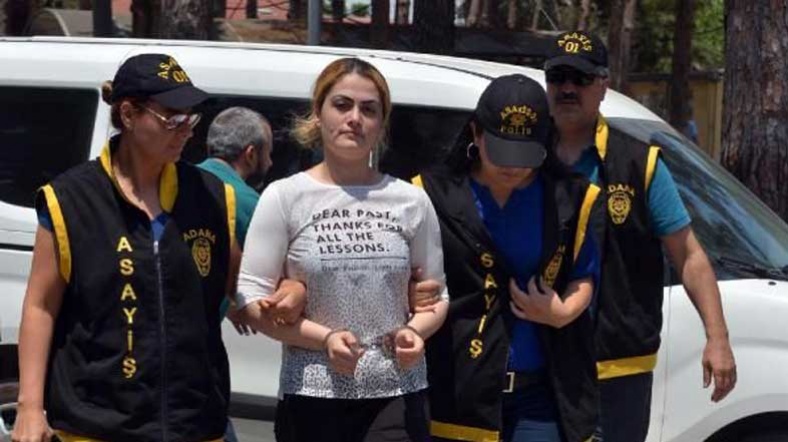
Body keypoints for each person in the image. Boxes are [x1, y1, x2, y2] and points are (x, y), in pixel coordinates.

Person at [12, 53, 236, 442]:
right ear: (129, 114)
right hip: (96, 422)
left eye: (191, 118)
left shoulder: (212, 195)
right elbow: (40, 305)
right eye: (173, 118)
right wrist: (29, 407)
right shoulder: (70, 199)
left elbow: (239, 288)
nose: (186, 131)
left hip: (193, 422)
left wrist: (286, 291)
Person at [235, 57, 450, 442]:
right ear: (318, 114)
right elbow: (250, 297)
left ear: (381, 123)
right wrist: (323, 339)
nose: (355, 118)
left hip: (396, 394)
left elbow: (437, 296)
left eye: (369, 110)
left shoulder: (410, 200)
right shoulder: (286, 197)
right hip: (313, 393)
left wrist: (414, 332)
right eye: (342, 105)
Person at [543, 30, 737, 442]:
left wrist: (717, 338)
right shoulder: (522, 156)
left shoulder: (638, 163)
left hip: (617, 366)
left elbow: (689, 256)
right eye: (558, 77)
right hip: (539, 360)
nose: (567, 88)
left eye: (580, 78)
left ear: (603, 86)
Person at [417, 74, 601, 442]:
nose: (512, 167)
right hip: (457, 390)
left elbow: (584, 274)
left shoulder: (572, 197)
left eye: (525, 154)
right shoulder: (429, 194)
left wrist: (562, 312)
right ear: (476, 134)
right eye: (501, 150)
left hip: (542, 394)